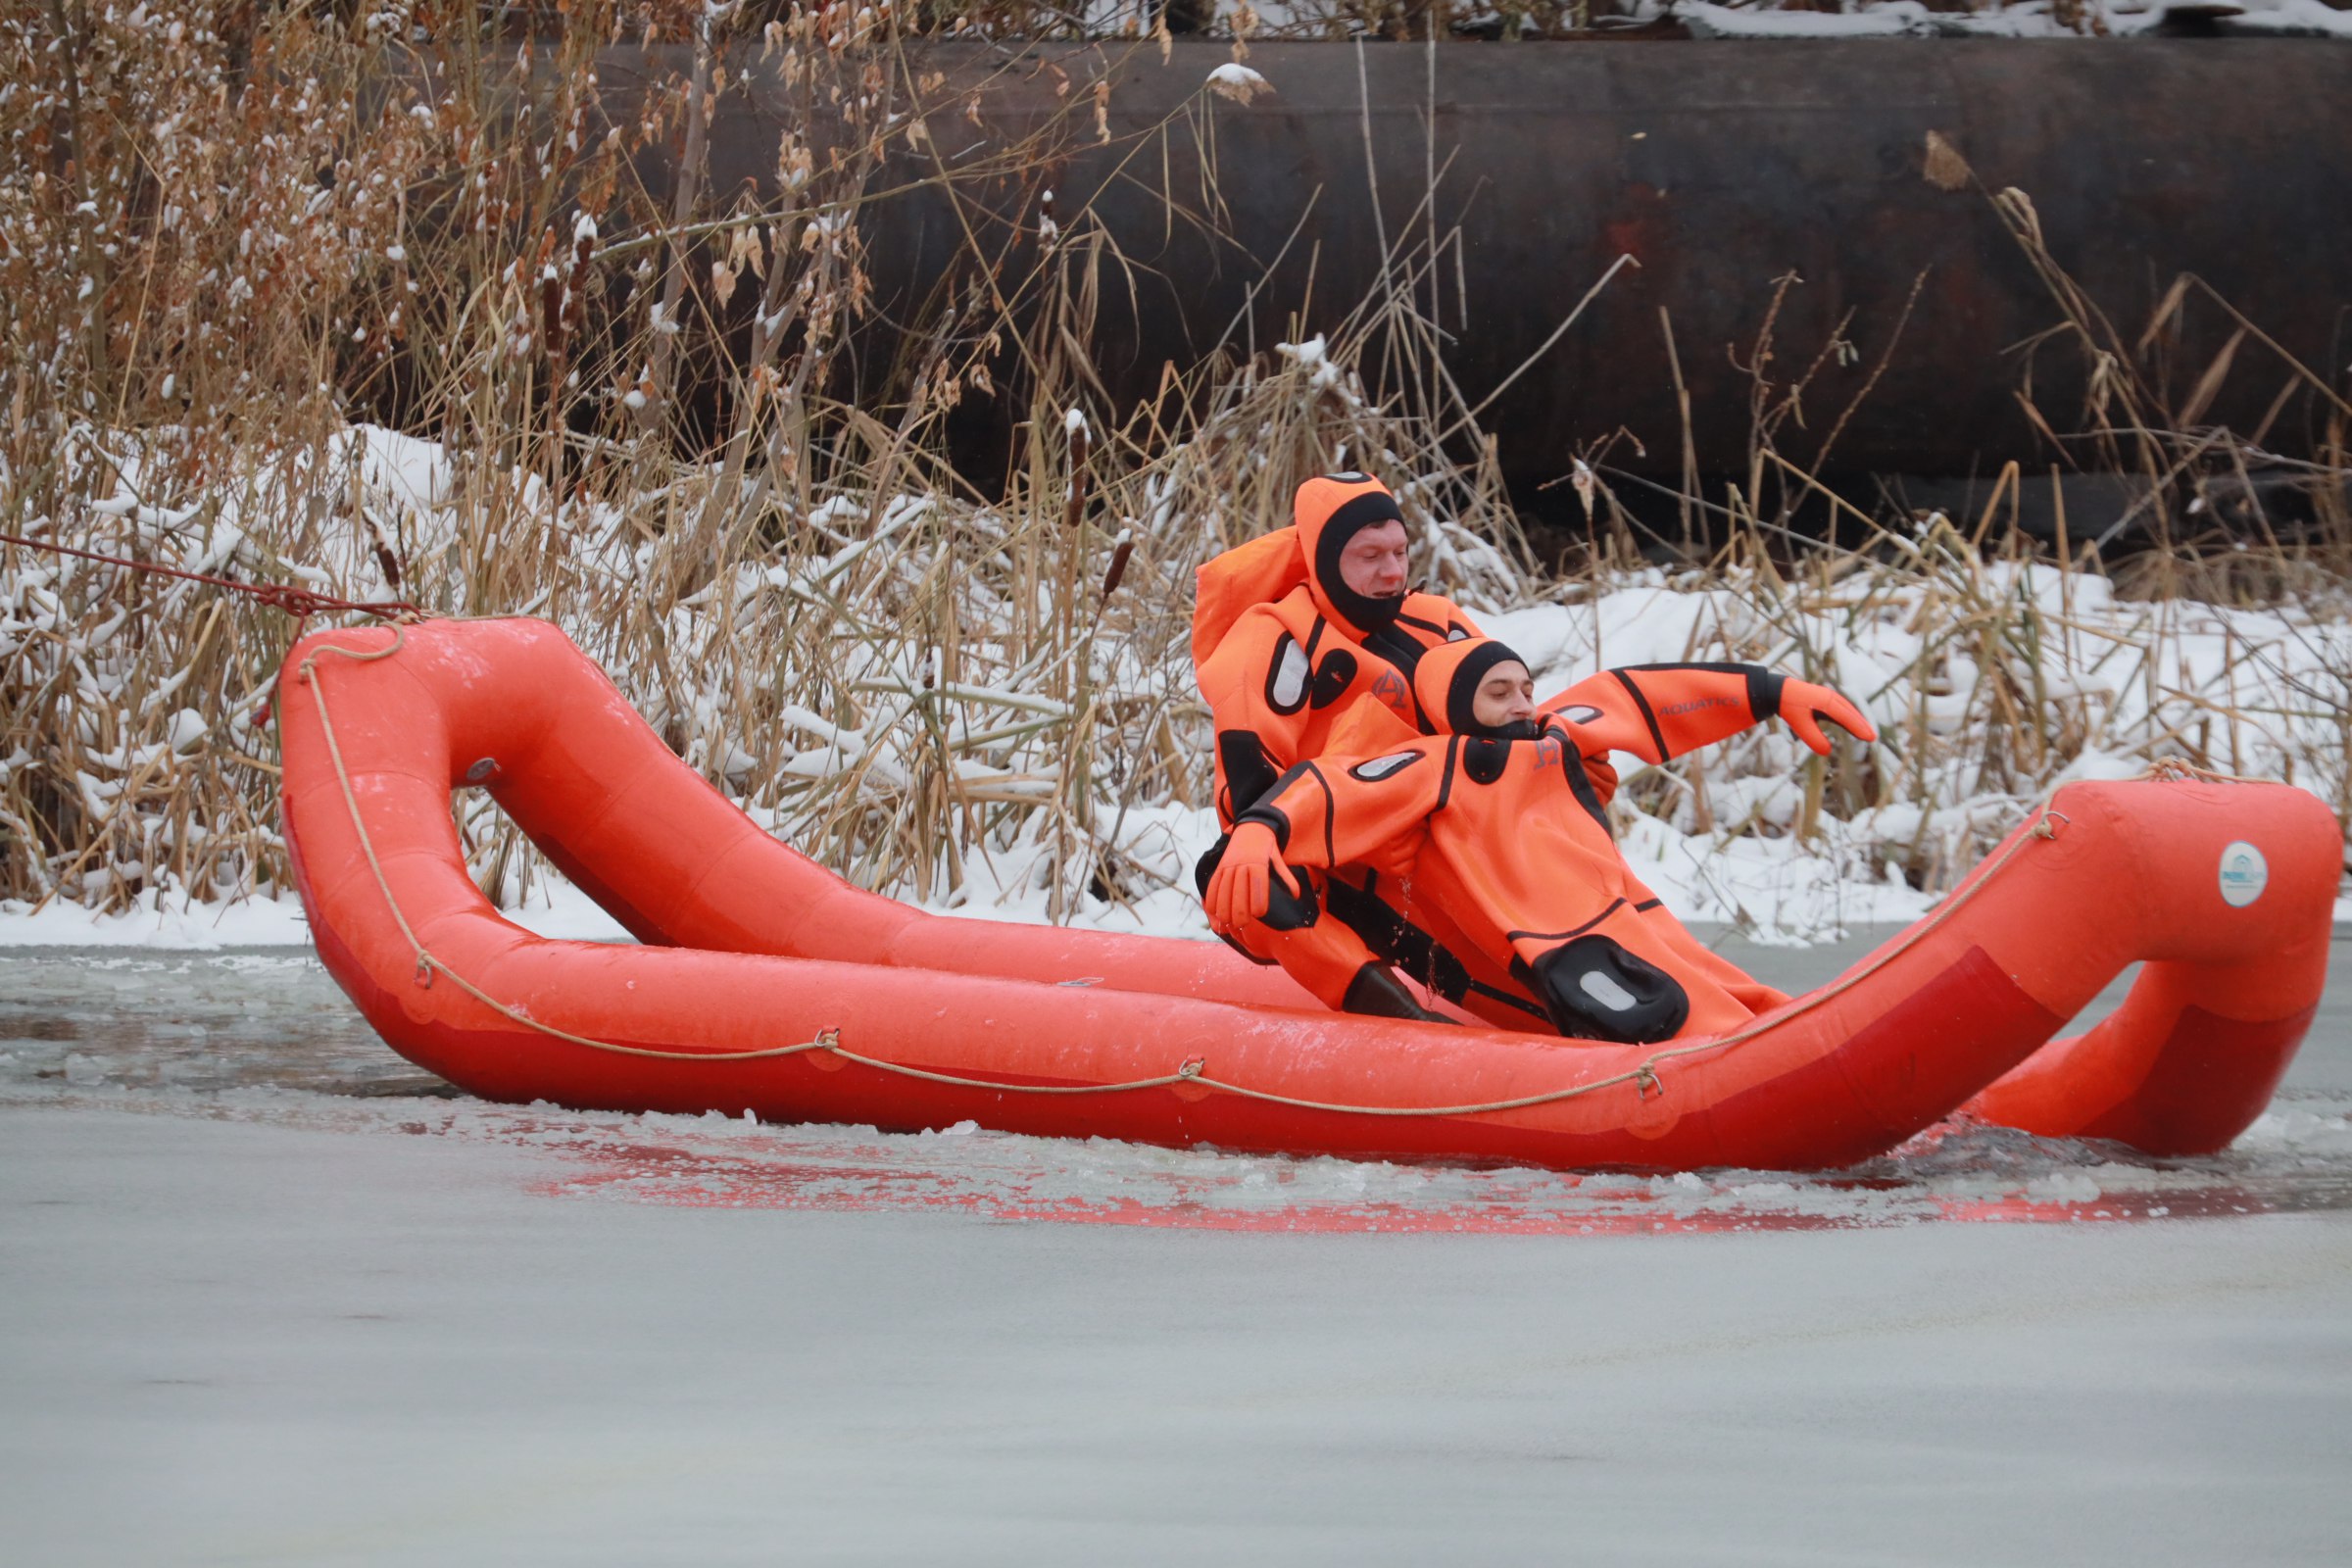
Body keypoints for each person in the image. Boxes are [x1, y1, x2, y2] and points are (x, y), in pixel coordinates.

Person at [1203, 637, 1878, 1042]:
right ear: (1459, 708)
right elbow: (1340, 785)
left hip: (1633, 921)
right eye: (1499, 693)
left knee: (1735, 994)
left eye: (1526, 687)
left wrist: (1770, 692)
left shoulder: (1556, 737)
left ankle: (1808, 1041)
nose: (1523, 704)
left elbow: (1635, 697)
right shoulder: (1438, 764)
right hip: (1549, 953)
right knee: (1673, 1015)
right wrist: (1264, 826)